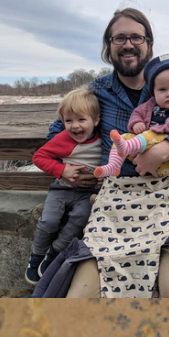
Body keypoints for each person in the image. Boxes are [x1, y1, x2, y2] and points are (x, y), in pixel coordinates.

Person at [43, 8, 169, 297]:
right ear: (108, 45)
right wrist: (67, 168)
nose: (128, 44)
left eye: (136, 37)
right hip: (114, 202)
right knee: (80, 296)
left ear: (149, 44)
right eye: (119, 38)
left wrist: (166, 149)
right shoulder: (98, 91)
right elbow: (58, 130)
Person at [25, 87, 104, 282]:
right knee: (48, 221)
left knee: (81, 218)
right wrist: (62, 170)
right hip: (61, 189)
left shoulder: (105, 140)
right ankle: (37, 255)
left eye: (81, 119)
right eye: (68, 121)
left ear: (96, 120)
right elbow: (39, 157)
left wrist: (106, 176)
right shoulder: (64, 139)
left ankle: (55, 251)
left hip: (88, 193)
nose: (75, 126)